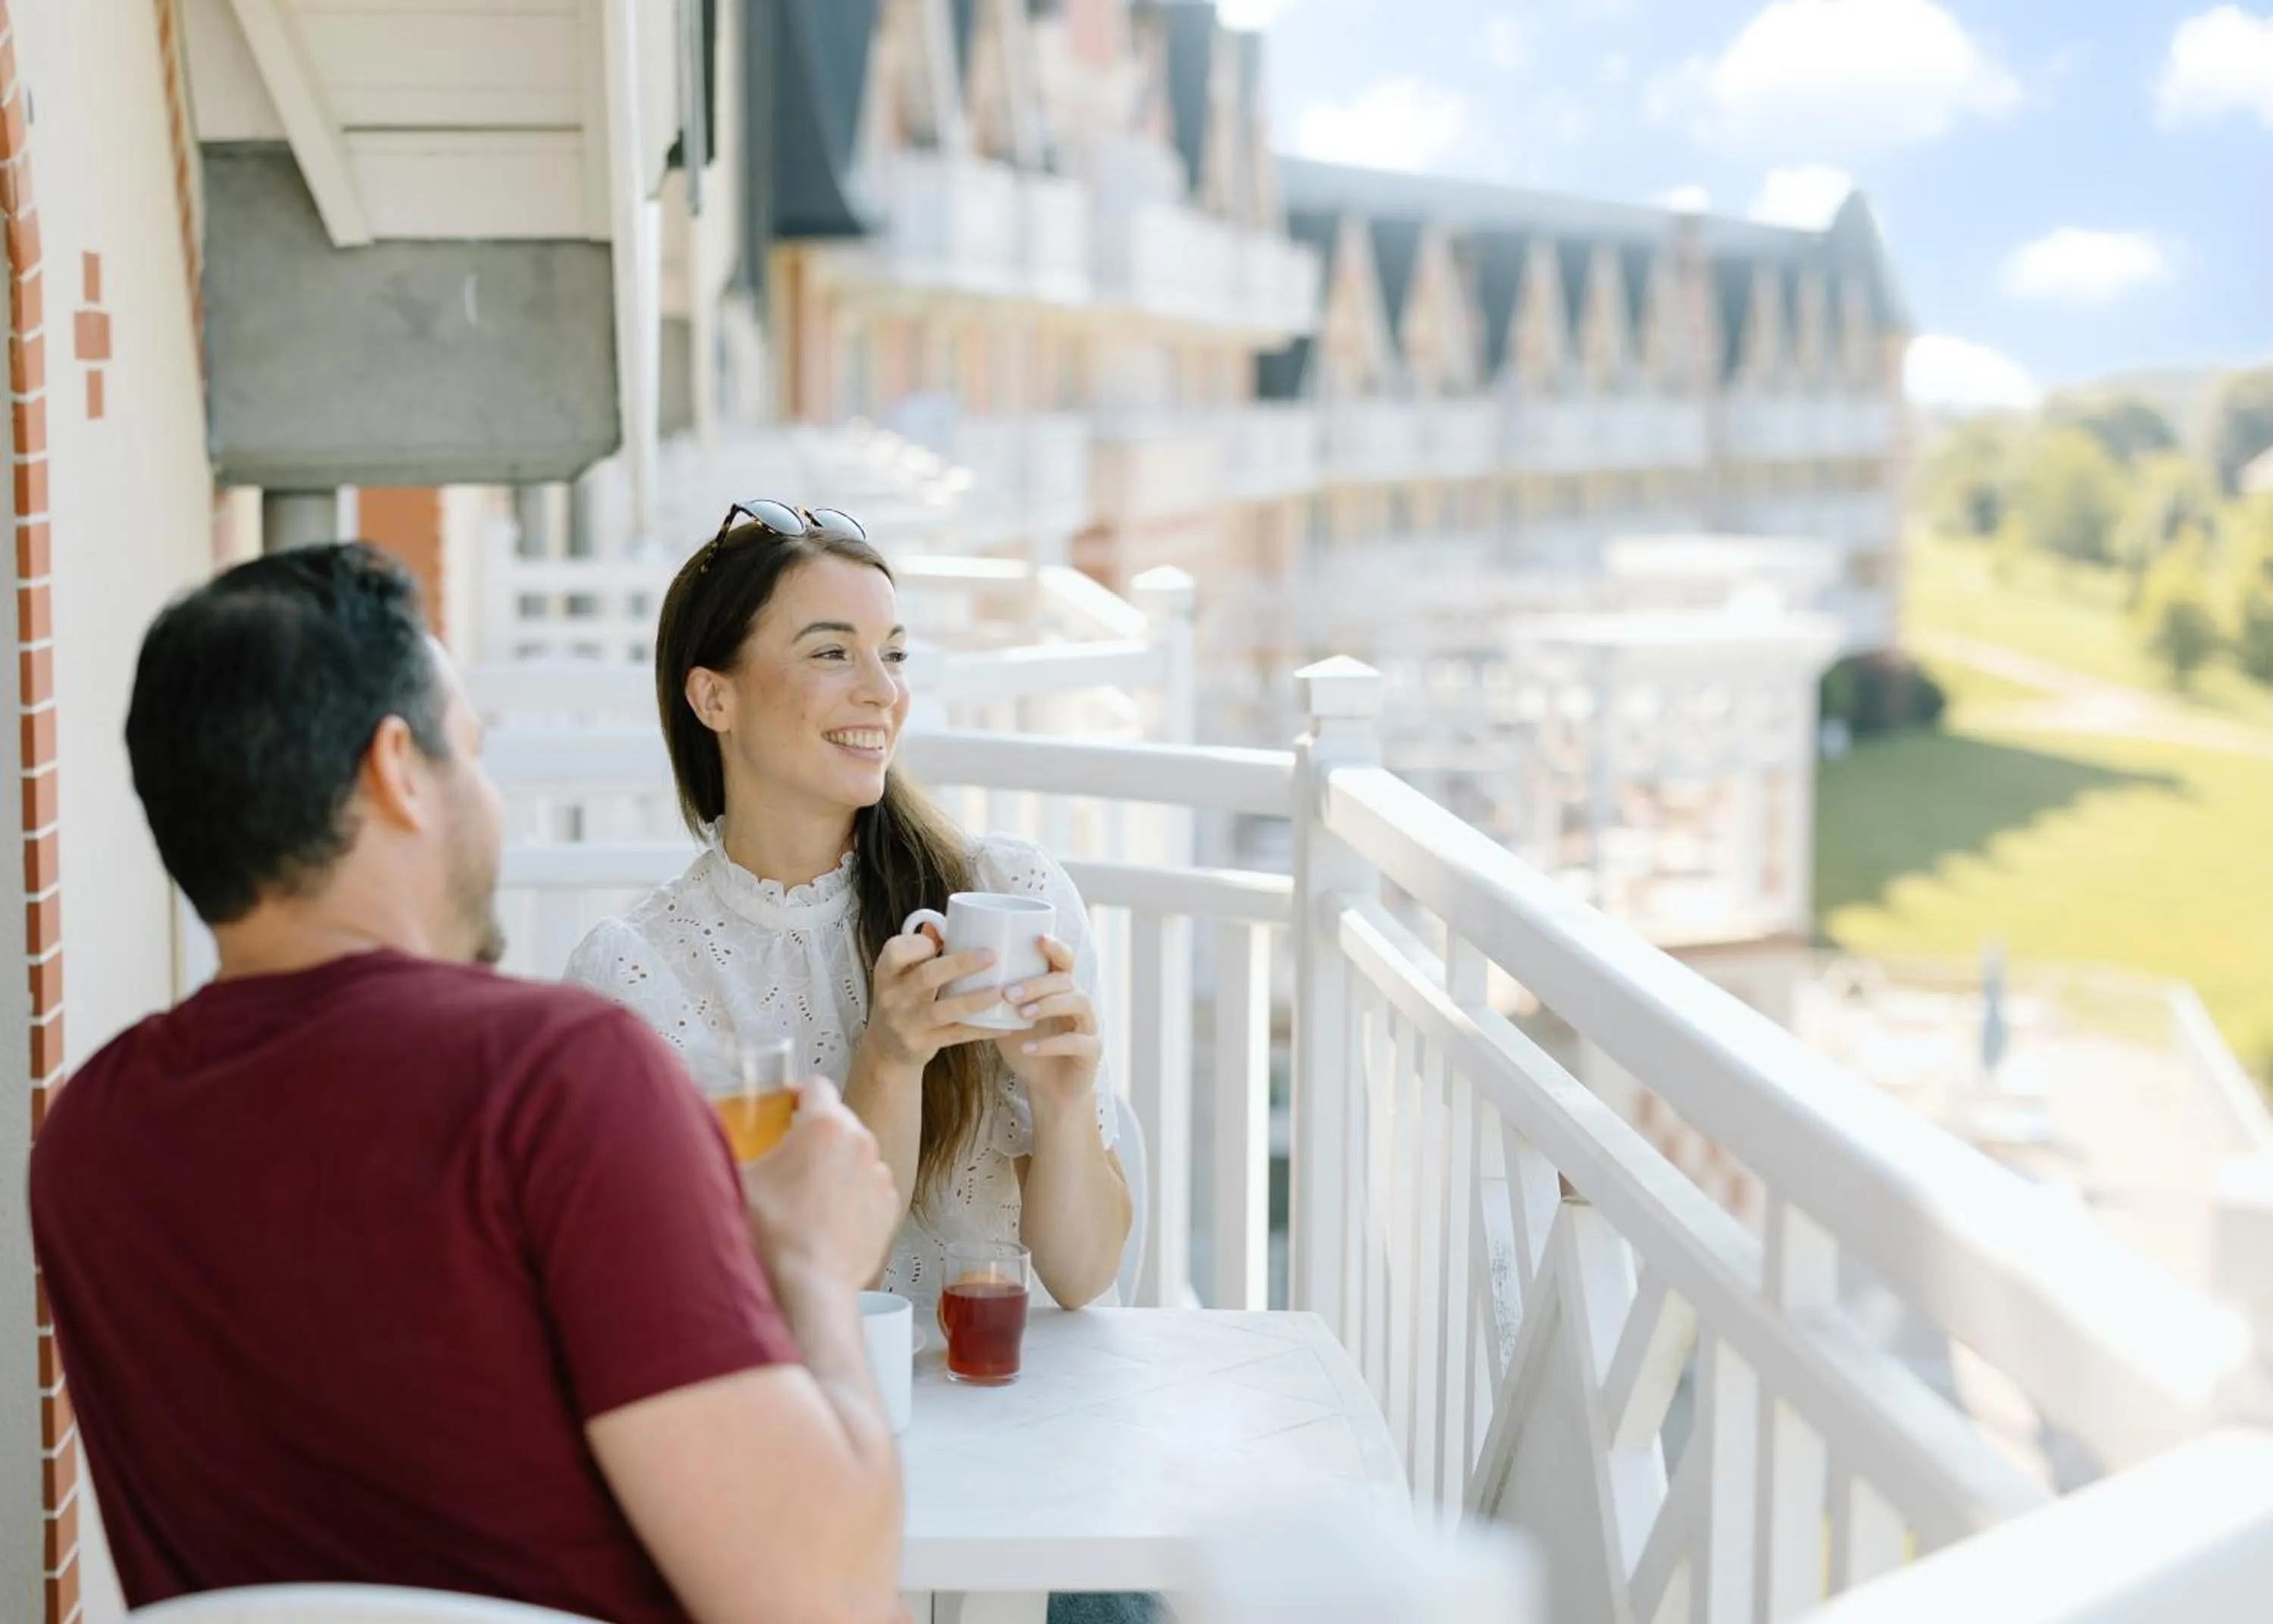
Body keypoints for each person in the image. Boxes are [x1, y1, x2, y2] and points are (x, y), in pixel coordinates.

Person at [29, 544, 906, 1624]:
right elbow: (823, 1601)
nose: (490, 803)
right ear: (397, 769)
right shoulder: (558, 1083)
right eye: (473, 756)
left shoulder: (90, 1139)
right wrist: (812, 1261)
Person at [565, 503, 1133, 1313]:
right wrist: (890, 1064)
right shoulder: (639, 973)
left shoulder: (1010, 891)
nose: (883, 691)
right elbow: (792, 1299)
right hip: (804, 1418)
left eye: (893, 653)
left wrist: (1064, 1098)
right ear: (712, 698)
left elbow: (1085, 1274)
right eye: (833, 652)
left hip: (1016, 1406)